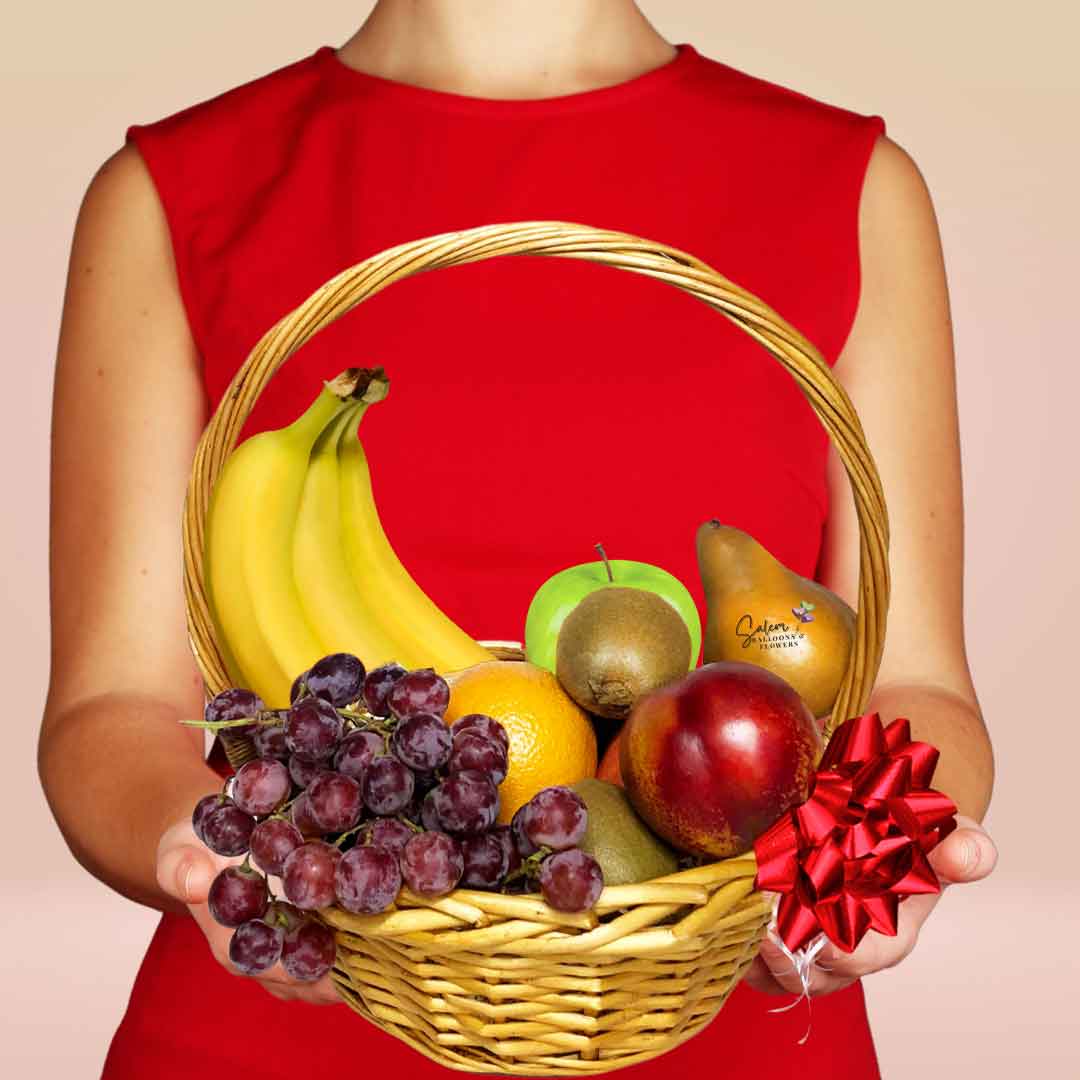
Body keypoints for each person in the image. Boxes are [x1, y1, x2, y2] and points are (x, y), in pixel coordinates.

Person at [39, 2, 997, 1077]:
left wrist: (883, 846)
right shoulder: (174, 191)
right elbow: (108, 706)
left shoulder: (854, 186)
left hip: (734, 1027)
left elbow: (913, 679)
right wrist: (202, 844)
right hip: (275, 1033)